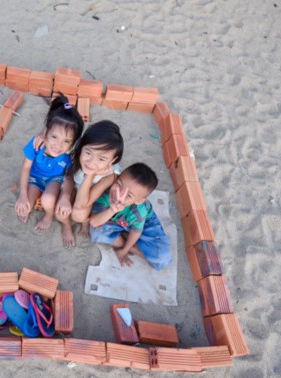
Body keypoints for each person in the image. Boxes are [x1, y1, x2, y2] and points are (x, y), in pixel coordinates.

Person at [14, 94, 84, 233]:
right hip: (34, 178)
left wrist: (65, 197)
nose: (58, 145)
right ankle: (29, 200)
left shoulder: (70, 154)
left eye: (66, 141)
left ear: (73, 142)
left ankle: (48, 215)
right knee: (27, 203)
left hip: (54, 179)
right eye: (54, 137)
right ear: (45, 132)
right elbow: (26, 168)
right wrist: (22, 196)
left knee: (48, 199)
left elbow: (69, 177)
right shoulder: (37, 144)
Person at [89, 163, 171, 270]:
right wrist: (112, 209)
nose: (118, 194)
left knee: (162, 259)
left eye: (128, 195)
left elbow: (136, 231)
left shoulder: (139, 211)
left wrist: (125, 250)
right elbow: (94, 222)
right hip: (118, 221)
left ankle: (129, 243)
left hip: (145, 223)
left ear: (139, 201)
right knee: (96, 232)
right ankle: (126, 241)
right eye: (118, 184)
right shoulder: (106, 195)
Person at [55, 120, 124, 247]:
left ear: (112, 160)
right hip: (76, 186)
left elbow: (83, 203)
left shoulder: (110, 174)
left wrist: (91, 174)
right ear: (82, 147)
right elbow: (69, 175)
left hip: (90, 197)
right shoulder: (75, 152)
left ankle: (86, 221)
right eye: (88, 152)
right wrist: (65, 197)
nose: (91, 162)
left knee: (79, 215)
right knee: (60, 213)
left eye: (102, 158)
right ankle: (66, 225)